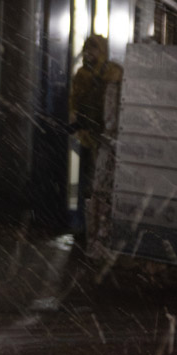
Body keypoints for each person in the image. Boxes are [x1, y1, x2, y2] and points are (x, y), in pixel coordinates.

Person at [67, 33, 122, 242]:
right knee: (88, 183)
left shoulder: (111, 73)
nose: (90, 53)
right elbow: (75, 102)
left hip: (105, 136)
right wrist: (77, 126)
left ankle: (100, 229)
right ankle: (87, 227)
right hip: (87, 135)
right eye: (88, 49)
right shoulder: (82, 74)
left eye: (94, 49)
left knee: (101, 184)